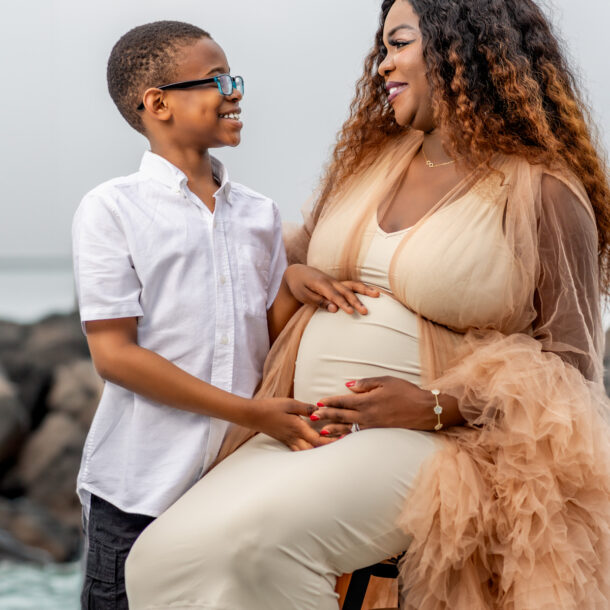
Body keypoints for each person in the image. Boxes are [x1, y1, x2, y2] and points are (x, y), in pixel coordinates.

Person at [125, 2, 610, 608]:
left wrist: (437, 407)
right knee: (157, 561)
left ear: (465, 51)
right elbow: (283, 262)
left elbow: (572, 371)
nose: (383, 65)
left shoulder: (541, 190)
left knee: (260, 548)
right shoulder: (367, 165)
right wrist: (296, 271)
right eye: (382, 49)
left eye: (399, 44)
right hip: (309, 424)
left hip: (439, 441)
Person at [72, 20, 377, 610]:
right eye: (216, 80)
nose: (235, 91)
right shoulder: (111, 209)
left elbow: (261, 336)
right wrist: (253, 414)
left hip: (231, 485)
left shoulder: (259, 214)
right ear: (157, 102)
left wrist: (293, 280)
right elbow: (114, 356)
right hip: (138, 490)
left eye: (233, 77)